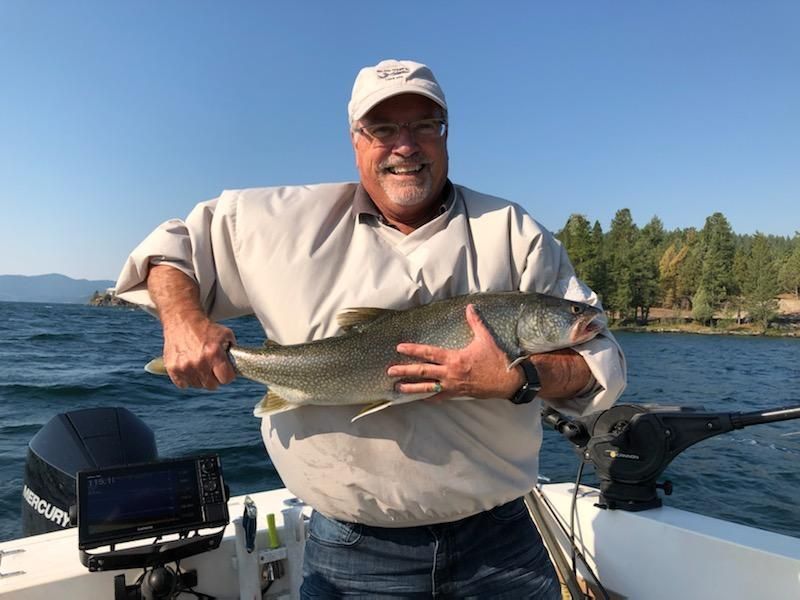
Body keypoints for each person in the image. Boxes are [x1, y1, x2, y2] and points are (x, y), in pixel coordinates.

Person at [116, 59, 626, 599]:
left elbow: (602, 364)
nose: (406, 145)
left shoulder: (515, 232)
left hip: (502, 545)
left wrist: (516, 377)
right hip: (351, 552)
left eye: (425, 125)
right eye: (383, 128)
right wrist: (185, 320)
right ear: (356, 139)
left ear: (446, 134)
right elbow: (168, 248)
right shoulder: (276, 221)